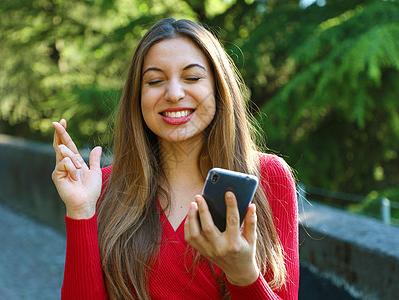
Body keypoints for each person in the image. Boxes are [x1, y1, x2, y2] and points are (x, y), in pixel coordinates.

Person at [52, 18, 299, 300]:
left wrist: (243, 274)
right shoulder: (102, 186)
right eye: (155, 81)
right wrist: (81, 210)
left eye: (192, 78)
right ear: (138, 96)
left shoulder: (268, 177)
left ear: (219, 89)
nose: (174, 94)